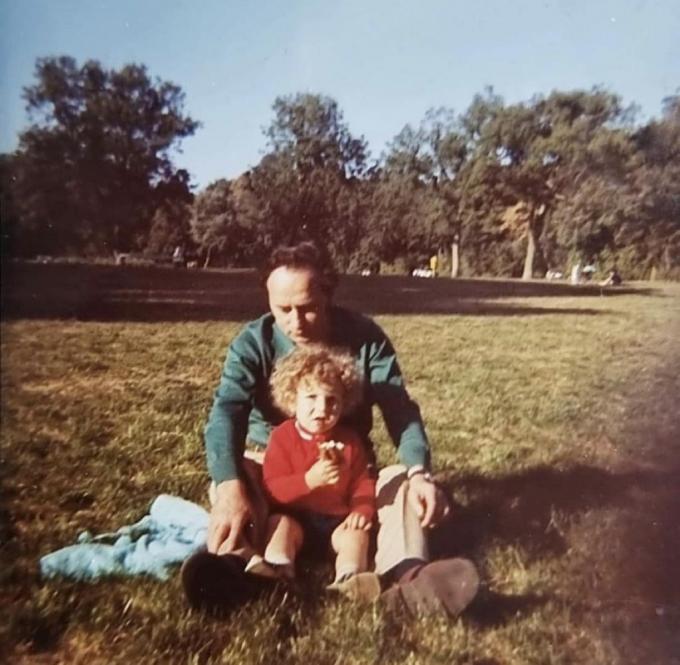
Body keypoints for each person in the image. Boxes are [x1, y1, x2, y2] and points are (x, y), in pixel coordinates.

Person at [182, 241, 479, 616]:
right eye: (283, 310)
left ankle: (409, 580)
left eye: (308, 308)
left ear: (328, 292)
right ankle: (237, 571)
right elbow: (226, 412)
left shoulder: (365, 337)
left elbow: (399, 409)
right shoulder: (252, 342)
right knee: (232, 478)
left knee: (400, 482)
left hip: (348, 478)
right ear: (267, 299)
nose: (295, 322)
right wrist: (229, 487)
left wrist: (420, 473)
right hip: (275, 469)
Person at [250, 345, 380, 601]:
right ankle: (278, 571)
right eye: (311, 398)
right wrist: (309, 480)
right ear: (291, 400)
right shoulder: (282, 437)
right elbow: (273, 487)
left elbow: (363, 483)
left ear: (344, 404)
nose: (322, 408)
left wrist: (361, 510)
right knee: (280, 525)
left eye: (332, 400)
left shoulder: (350, 440)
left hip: (336, 521)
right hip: (296, 516)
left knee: (355, 535)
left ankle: (349, 579)